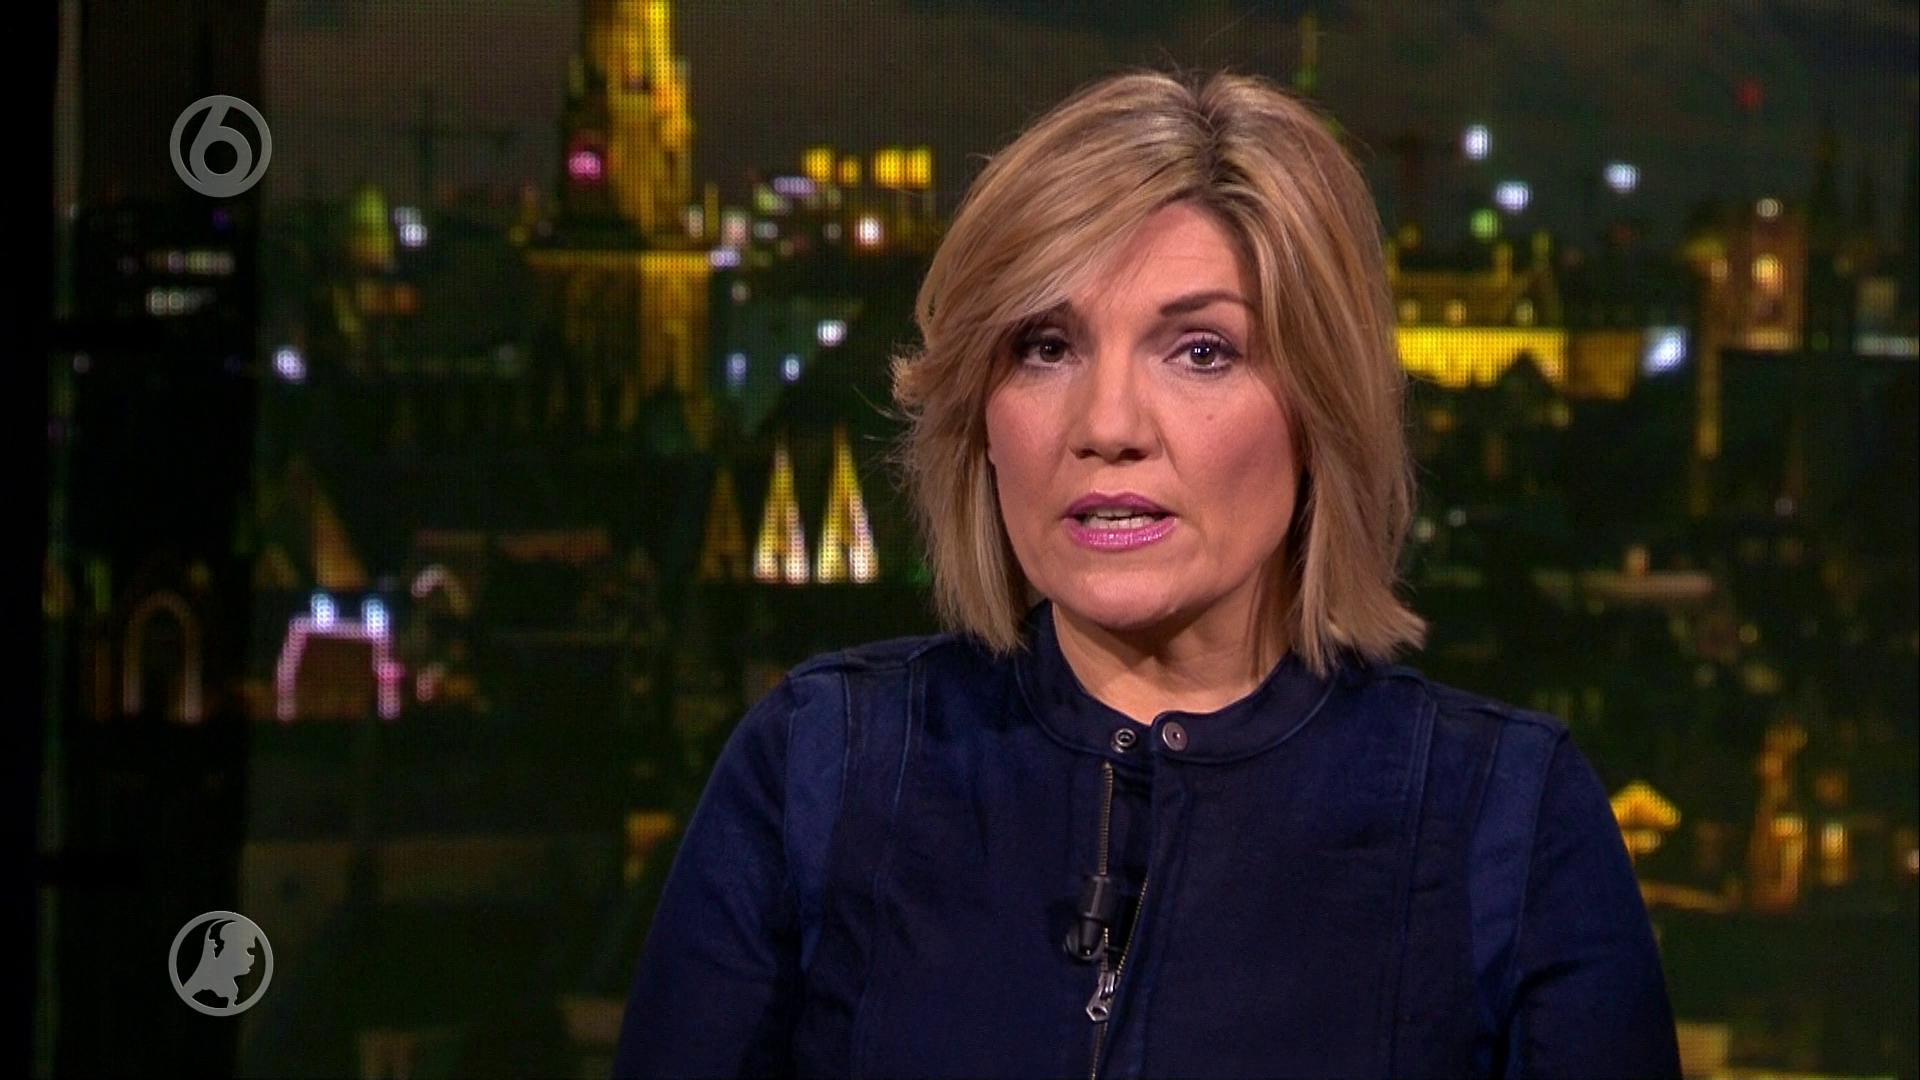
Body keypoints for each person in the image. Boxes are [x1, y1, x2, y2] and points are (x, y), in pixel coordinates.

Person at [612, 68, 1681, 1079]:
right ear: (978, 417)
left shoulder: (1507, 826)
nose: (1108, 424)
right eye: (1045, 347)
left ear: (1322, 409)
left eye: (1201, 351)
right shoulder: (819, 772)